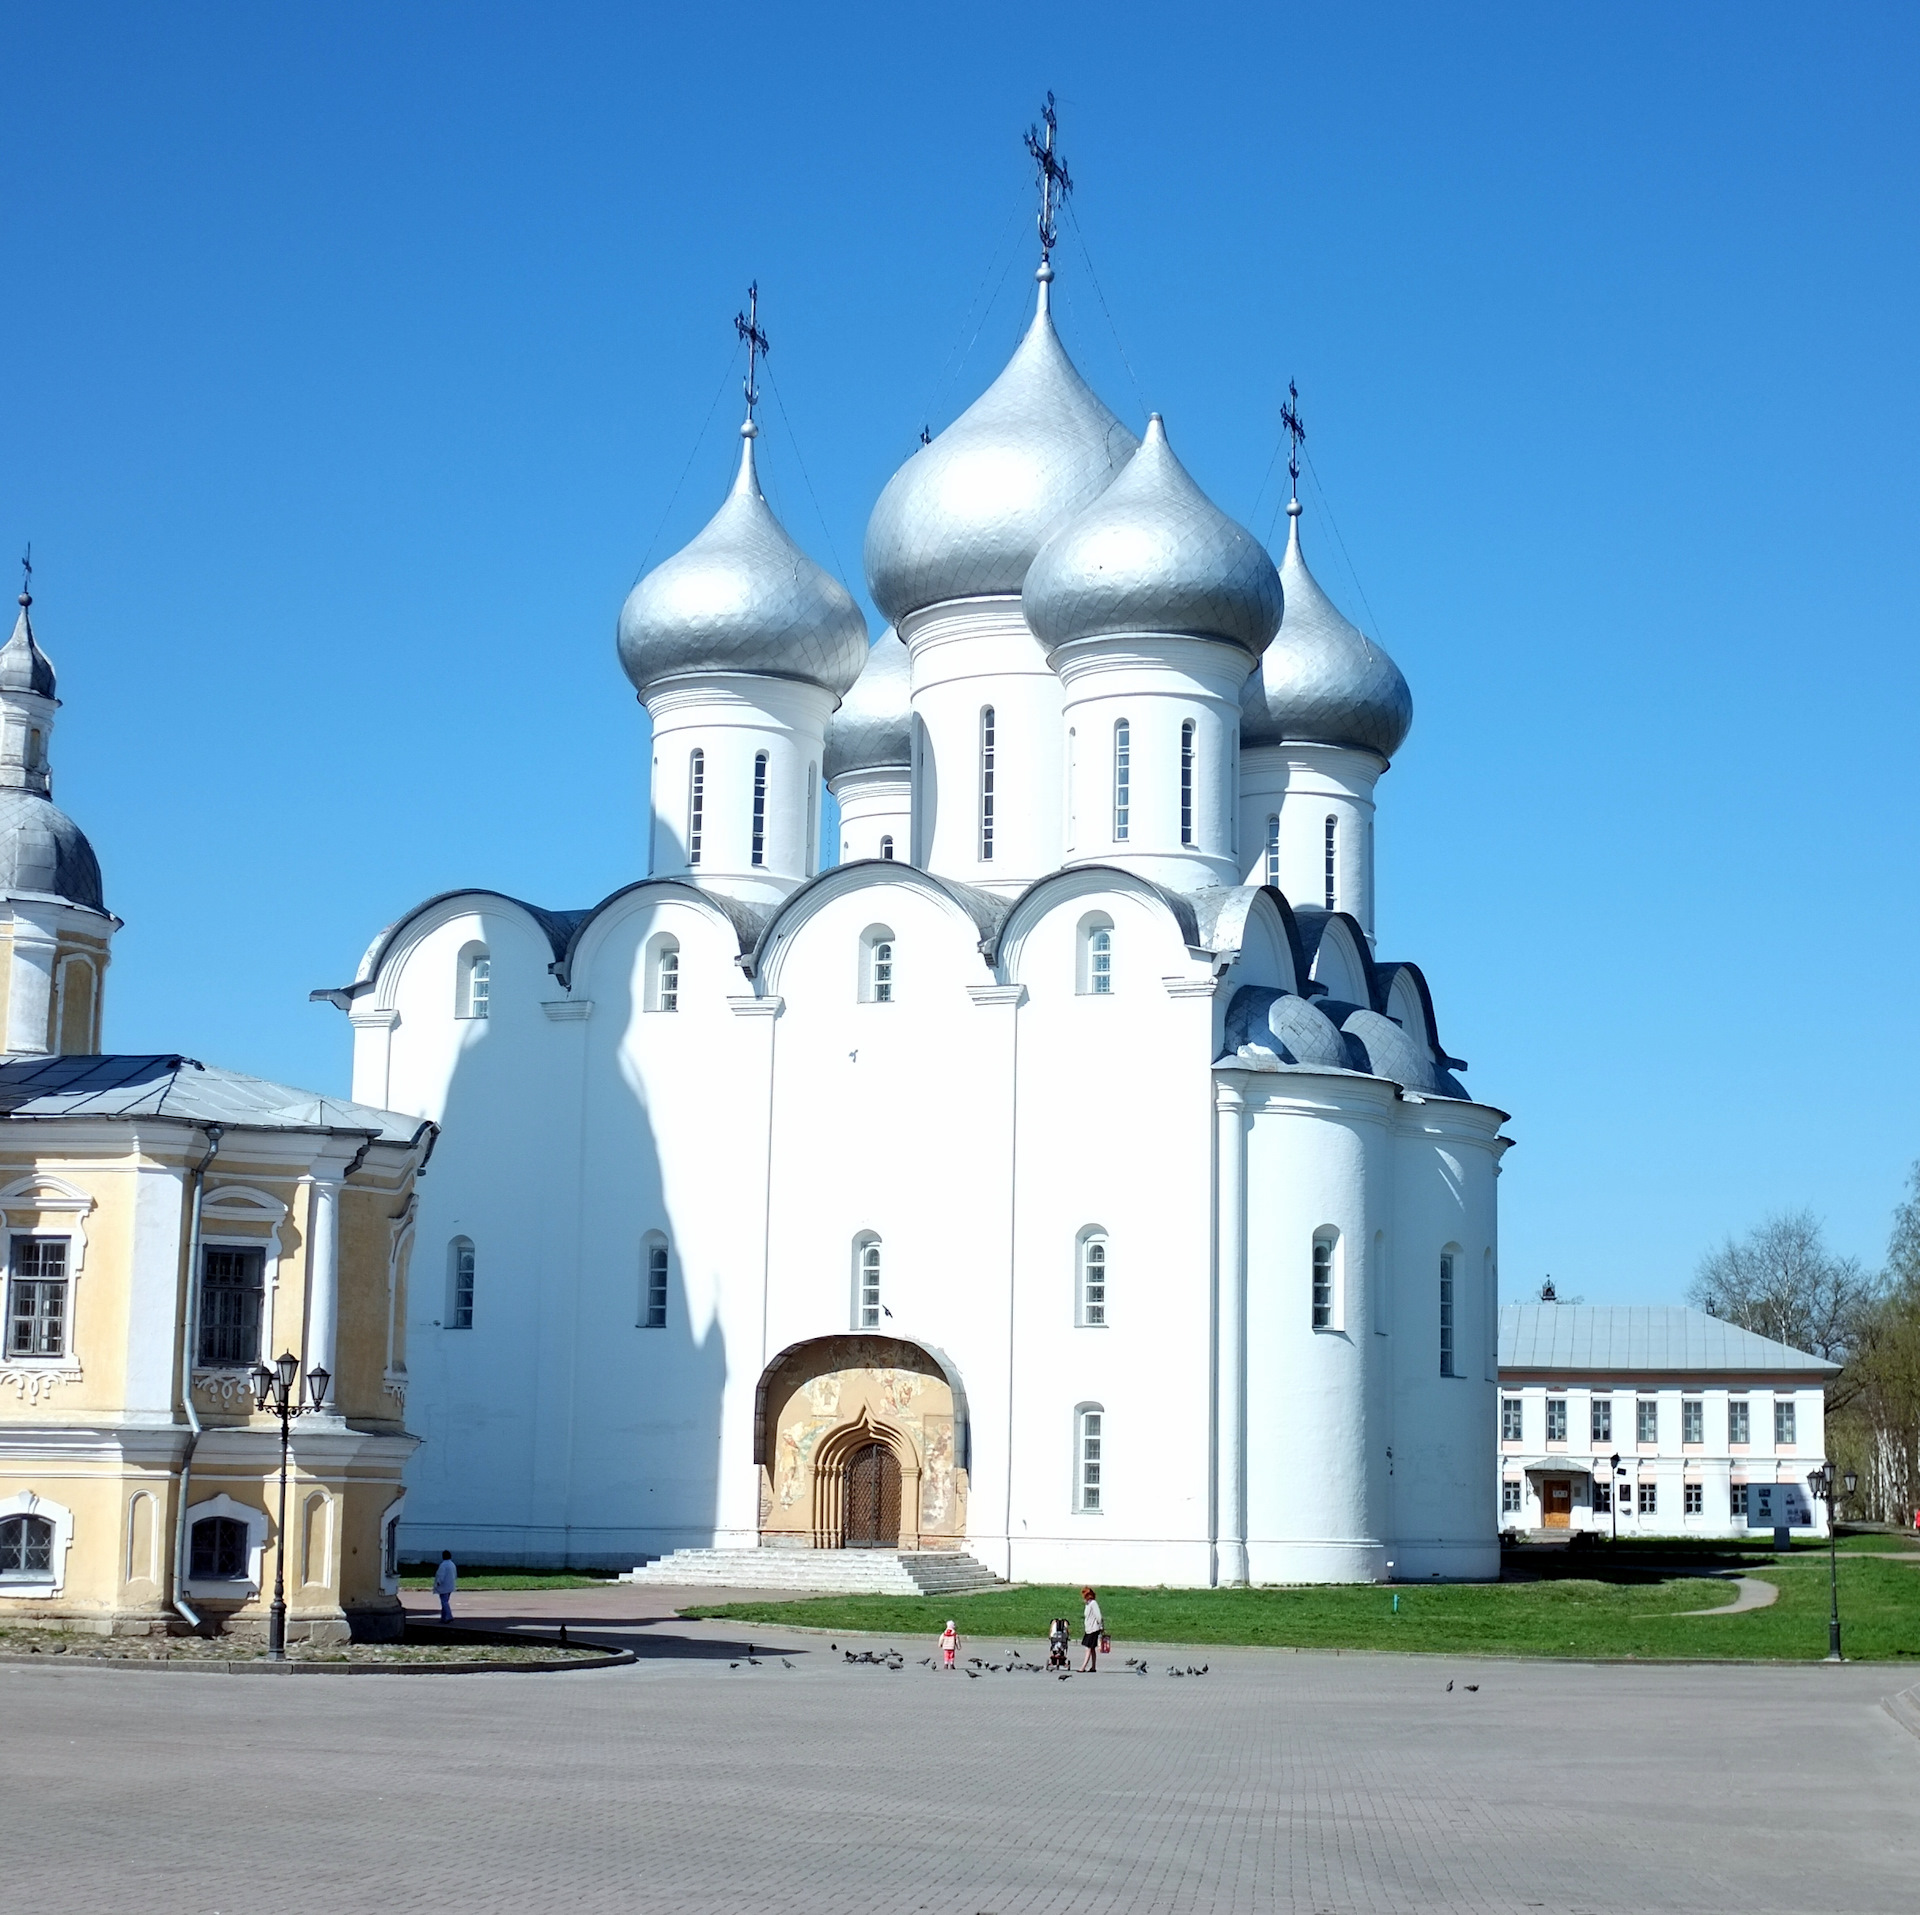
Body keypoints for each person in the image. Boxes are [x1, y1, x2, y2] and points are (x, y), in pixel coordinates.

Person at [1079, 1586, 1103, 1672]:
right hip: (1088, 1629)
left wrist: (1101, 1626)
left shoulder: (1093, 1603)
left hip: (1093, 1629)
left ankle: (1083, 1667)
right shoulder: (1088, 1604)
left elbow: (1098, 1616)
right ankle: (1093, 1667)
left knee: (1088, 1648)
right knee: (1092, 1648)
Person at [432, 1550, 458, 1623]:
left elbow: (440, 1575)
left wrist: (438, 1583)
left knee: (444, 1602)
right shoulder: (452, 1564)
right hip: (450, 1586)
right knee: (445, 1601)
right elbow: (455, 1575)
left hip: (444, 1586)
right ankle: (443, 1618)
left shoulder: (443, 1565)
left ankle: (449, 1616)